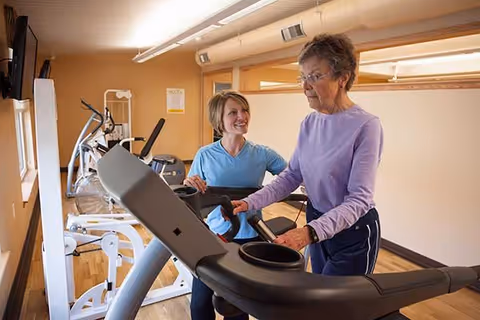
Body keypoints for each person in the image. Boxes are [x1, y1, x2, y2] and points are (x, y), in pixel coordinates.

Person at [232, 33, 384, 276]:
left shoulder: (366, 126)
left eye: (314, 76)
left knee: (341, 308)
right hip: (317, 219)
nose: (305, 86)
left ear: (342, 78)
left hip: (353, 231)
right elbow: (292, 175)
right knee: (319, 297)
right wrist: (251, 201)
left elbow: (359, 200)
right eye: (303, 77)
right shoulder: (310, 123)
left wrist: (308, 233)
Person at [184, 91, 287, 320]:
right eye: (233, 112)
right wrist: (190, 183)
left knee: (237, 304)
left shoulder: (262, 154)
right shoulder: (205, 154)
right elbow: (191, 189)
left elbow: (290, 176)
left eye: (245, 110)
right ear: (218, 121)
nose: (242, 116)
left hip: (249, 235)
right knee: (200, 303)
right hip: (213, 235)